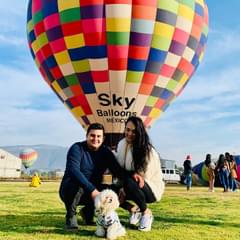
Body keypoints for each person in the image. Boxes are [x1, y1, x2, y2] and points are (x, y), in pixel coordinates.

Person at [59, 123, 125, 230]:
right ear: (87, 135)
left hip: (94, 191)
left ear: (103, 138)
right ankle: (71, 215)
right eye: (92, 135)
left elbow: (118, 171)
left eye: (99, 136)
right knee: (77, 182)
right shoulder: (77, 148)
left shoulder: (106, 152)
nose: (95, 139)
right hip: (71, 190)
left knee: (111, 188)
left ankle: (88, 212)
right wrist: (92, 190)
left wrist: (123, 186)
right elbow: (73, 170)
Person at [114, 116, 165, 232]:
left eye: (134, 131)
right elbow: (120, 170)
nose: (129, 134)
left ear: (140, 132)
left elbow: (144, 178)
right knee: (108, 190)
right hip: (129, 184)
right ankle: (133, 210)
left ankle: (146, 213)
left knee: (131, 181)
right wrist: (120, 188)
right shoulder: (122, 145)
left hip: (149, 188)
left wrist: (125, 186)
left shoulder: (148, 151)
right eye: (127, 130)